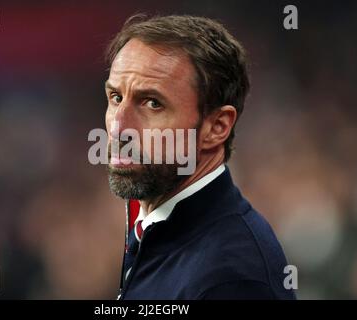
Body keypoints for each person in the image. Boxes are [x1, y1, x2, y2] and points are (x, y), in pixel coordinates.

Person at [104, 14, 296, 300]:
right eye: (116, 98)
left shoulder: (230, 278)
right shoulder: (156, 227)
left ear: (217, 127)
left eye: (152, 103)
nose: (118, 128)